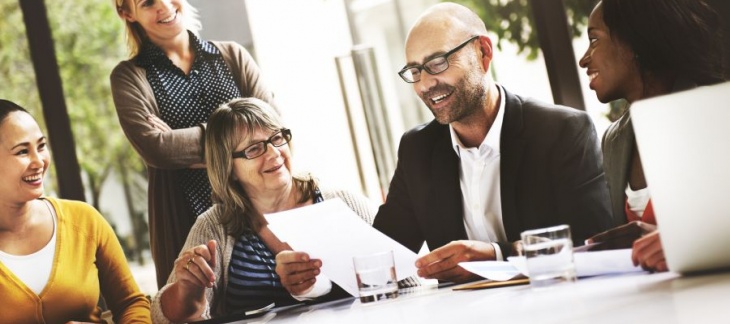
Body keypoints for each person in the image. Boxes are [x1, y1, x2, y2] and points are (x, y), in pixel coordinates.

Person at [372, 2, 613, 284]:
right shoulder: (417, 150)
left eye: (437, 63)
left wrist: (499, 255)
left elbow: (594, 244)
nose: (424, 84)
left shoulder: (562, 132)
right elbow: (379, 257)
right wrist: (313, 281)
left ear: (483, 53)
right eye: (415, 71)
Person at [150, 98, 376, 322]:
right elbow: (165, 319)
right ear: (229, 168)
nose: (274, 153)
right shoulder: (214, 225)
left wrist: (319, 284)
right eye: (254, 149)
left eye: (277, 138)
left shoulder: (342, 202)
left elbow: (402, 282)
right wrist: (186, 289)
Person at [110, 0, 278, 288]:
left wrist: (187, 150)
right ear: (127, 13)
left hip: (255, 208)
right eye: (148, 3)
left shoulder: (233, 56)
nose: (164, 6)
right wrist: (238, 146)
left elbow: (270, 125)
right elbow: (157, 148)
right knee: (199, 306)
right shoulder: (129, 77)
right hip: (184, 217)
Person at [580, 0, 725, 271]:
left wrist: (687, 242)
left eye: (594, 40)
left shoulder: (717, 111)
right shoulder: (613, 141)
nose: (584, 59)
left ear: (634, 40)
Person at [0, 99, 151, 323]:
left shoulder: (84, 220)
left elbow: (132, 303)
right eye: (23, 151)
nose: (39, 161)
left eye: (41, 146)